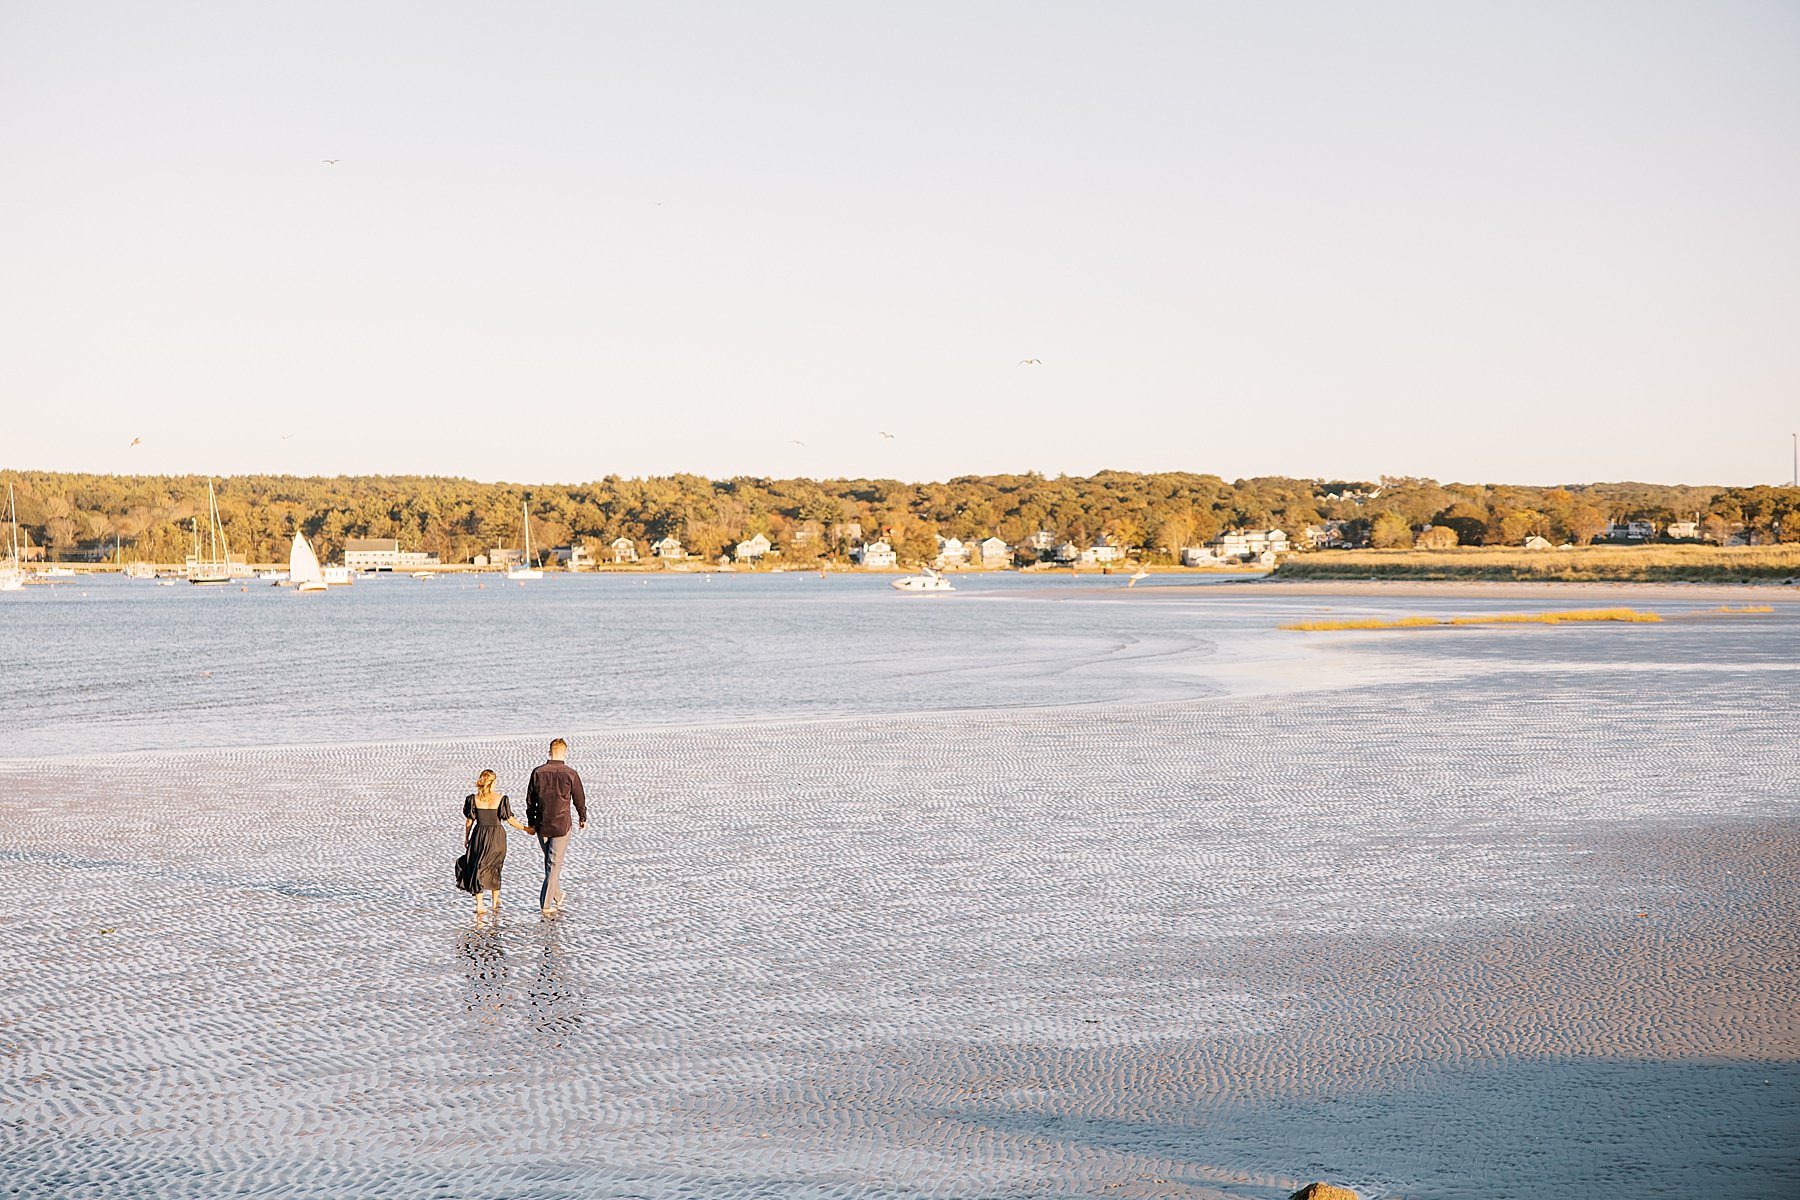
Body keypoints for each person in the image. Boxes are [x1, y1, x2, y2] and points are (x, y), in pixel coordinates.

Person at [524, 738, 587, 916]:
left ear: (549, 752)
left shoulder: (538, 772)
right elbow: (579, 799)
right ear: (565, 753)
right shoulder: (571, 774)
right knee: (553, 863)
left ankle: (558, 895)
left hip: (542, 823)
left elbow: (530, 801)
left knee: (551, 862)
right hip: (561, 825)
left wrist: (531, 822)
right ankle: (545, 904)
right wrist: (583, 817)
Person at [461, 769, 532, 915]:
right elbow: (509, 820)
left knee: (478, 867)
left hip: (479, 835)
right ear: (492, 782)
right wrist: (526, 829)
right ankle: (494, 902)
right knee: (495, 866)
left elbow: (469, 820)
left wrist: (466, 838)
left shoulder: (473, 799)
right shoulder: (501, 799)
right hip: (497, 837)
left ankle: (480, 904)